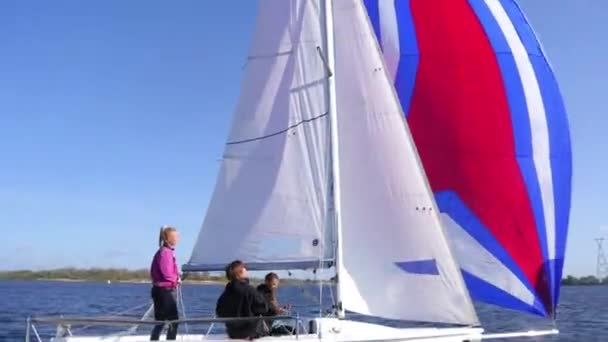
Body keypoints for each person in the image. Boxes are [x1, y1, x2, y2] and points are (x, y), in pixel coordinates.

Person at [216, 260, 269, 339]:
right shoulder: (250, 290)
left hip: (232, 333)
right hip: (251, 334)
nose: (246, 270)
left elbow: (219, 313)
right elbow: (263, 308)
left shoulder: (225, 293)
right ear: (240, 272)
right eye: (245, 268)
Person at [149, 226, 180, 341]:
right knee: (174, 320)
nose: (178, 238)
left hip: (160, 290)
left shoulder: (164, 251)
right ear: (168, 239)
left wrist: (176, 277)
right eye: (176, 236)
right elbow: (167, 273)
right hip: (164, 291)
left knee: (160, 321)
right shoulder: (165, 253)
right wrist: (176, 279)